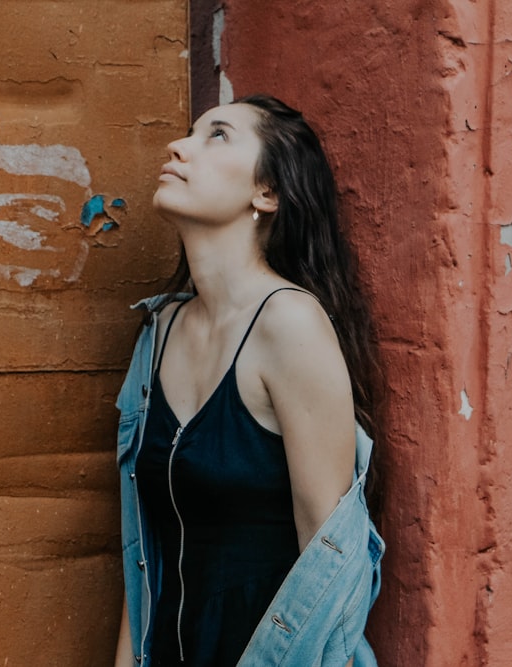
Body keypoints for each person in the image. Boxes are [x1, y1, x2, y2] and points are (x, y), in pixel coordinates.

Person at [114, 94, 384, 667]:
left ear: (266, 193)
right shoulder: (158, 330)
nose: (178, 146)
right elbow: (144, 548)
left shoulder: (290, 325)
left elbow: (329, 562)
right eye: (190, 131)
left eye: (216, 136)